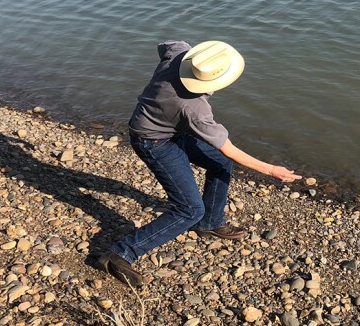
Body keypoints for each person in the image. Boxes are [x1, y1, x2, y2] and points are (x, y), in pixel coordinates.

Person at [97, 40, 302, 288]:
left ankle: (211, 224)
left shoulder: (178, 53)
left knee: (220, 163)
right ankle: (120, 253)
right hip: (153, 141)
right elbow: (230, 148)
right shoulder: (194, 109)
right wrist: (272, 170)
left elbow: (165, 45)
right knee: (189, 209)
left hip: (171, 128)